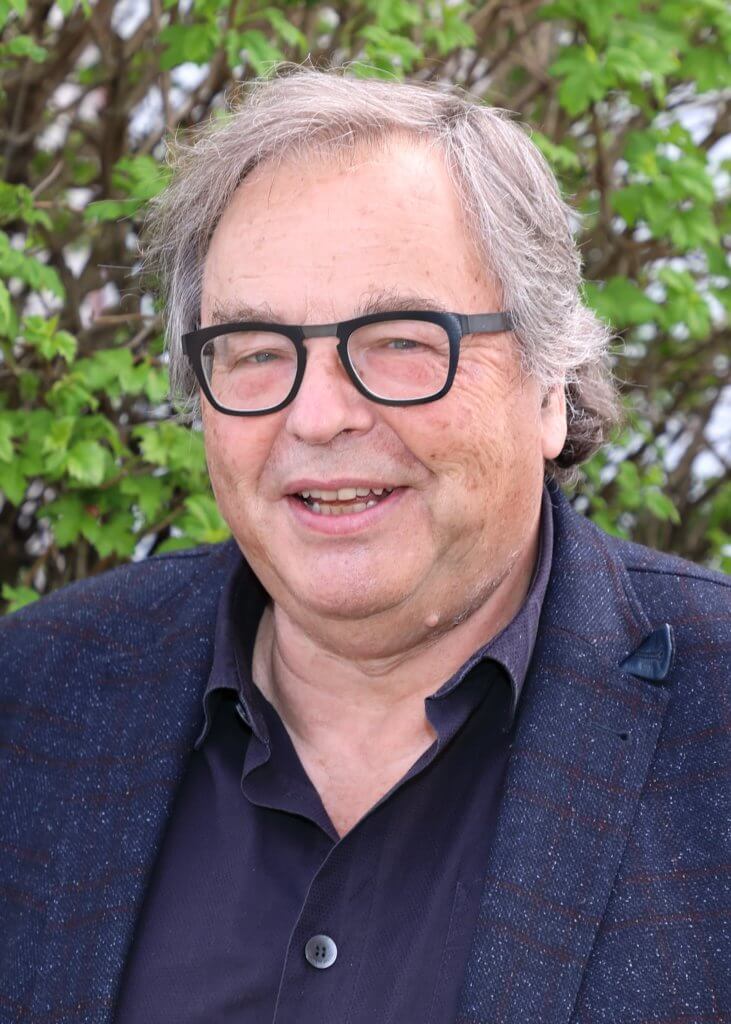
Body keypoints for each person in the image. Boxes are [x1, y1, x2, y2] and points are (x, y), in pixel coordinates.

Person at [1, 68, 728, 1024]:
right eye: (258, 350)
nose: (317, 416)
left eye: (399, 340)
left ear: (551, 383)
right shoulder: (32, 703)